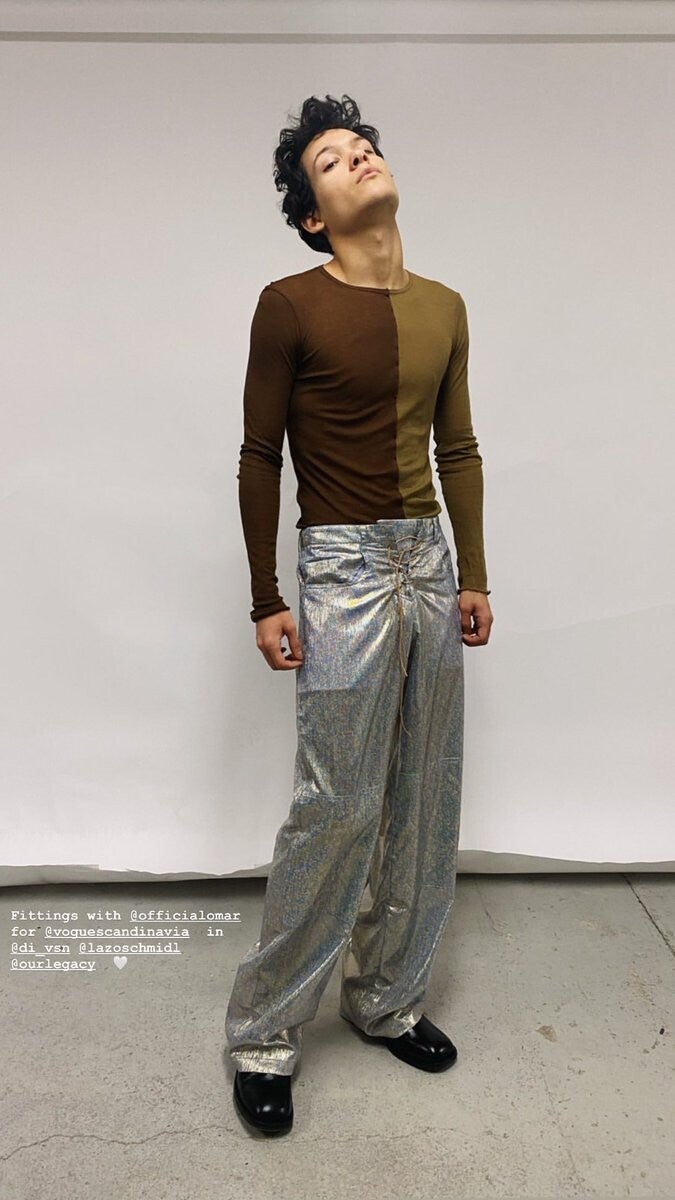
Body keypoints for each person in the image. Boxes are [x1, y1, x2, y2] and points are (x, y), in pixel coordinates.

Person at [225, 93, 493, 1137]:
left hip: (428, 562)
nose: (359, 158)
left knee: (426, 793)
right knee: (336, 803)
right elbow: (260, 454)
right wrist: (266, 596)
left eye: (364, 146)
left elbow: (456, 449)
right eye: (333, 161)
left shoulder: (446, 306)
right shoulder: (289, 304)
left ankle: (386, 999)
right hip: (340, 567)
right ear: (312, 215)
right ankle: (263, 1034)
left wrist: (473, 575)